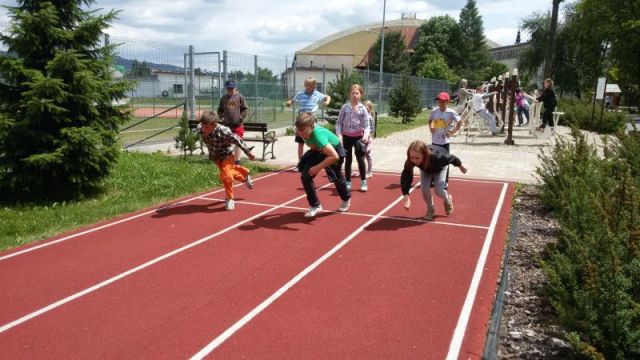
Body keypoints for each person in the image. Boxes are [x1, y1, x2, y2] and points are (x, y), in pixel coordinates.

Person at [295, 112, 351, 218]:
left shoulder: (319, 136)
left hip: (334, 151)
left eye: (303, 131)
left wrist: (317, 167)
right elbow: (303, 139)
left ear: (311, 127)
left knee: (337, 177)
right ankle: (315, 205)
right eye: (298, 130)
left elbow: (334, 156)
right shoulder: (300, 130)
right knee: (305, 176)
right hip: (318, 150)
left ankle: (346, 198)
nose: (300, 133)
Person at [199, 111, 256, 211]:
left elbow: (238, 140)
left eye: (206, 127)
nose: (203, 130)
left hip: (227, 155)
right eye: (202, 126)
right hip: (216, 157)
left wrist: (248, 153)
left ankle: (230, 199)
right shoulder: (201, 129)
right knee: (228, 174)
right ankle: (245, 175)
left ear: (214, 125)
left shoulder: (223, 131)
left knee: (226, 177)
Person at [400, 140, 468, 221]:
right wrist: (406, 197)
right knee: (424, 189)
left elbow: (452, 158)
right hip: (425, 169)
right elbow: (406, 177)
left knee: (438, 191)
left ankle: (447, 199)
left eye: (417, 158)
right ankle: (430, 209)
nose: (414, 161)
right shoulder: (411, 161)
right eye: (412, 158)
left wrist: (461, 166)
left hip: (440, 168)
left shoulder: (439, 157)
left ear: (424, 155)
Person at [336, 84, 371, 192]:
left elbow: (367, 125)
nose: (355, 95)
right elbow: (339, 123)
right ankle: (348, 182)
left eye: (357, 93)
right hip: (346, 137)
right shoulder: (345, 107)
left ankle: (363, 181)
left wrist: (365, 136)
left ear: (360, 95)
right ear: (349, 95)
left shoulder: (363, 109)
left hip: (358, 137)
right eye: (353, 93)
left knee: (360, 159)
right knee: (348, 160)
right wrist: (339, 135)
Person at [286, 77, 331, 161]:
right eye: (307, 85)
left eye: (310, 86)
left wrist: (327, 102)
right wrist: (289, 103)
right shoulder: (300, 94)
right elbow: (293, 100)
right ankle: (300, 161)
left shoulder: (317, 94)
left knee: (315, 140)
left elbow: (327, 97)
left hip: (311, 120)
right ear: (304, 85)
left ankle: (317, 159)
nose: (308, 87)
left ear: (314, 86)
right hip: (302, 120)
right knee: (300, 142)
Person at [428, 91, 462, 188]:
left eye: (443, 102)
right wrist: (431, 128)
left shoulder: (451, 112)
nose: (440, 104)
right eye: (439, 102)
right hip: (435, 141)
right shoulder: (434, 111)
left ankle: (444, 181)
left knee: (445, 161)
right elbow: (431, 120)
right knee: (434, 161)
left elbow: (460, 121)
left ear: (448, 102)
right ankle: (434, 180)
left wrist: (452, 132)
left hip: (445, 142)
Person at [217, 79, 248, 164]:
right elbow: (219, 110)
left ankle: (237, 161)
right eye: (228, 88)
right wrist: (222, 117)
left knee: (237, 143)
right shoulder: (224, 98)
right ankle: (229, 160)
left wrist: (240, 118)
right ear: (226, 89)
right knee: (228, 143)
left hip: (237, 125)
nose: (230, 90)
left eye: (232, 88)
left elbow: (245, 109)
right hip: (227, 126)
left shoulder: (239, 97)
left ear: (235, 88)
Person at [363, 100, 375, 178]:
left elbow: (372, 130)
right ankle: (363, 170)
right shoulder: (363, 117)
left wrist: (368, 137)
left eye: (367, 109)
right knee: (361, 156)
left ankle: (370, 171)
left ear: (370, 109)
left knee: (368, 155)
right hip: (362, 138)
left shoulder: (370, 118)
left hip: (368, 139)